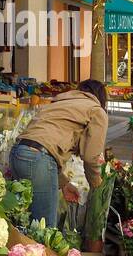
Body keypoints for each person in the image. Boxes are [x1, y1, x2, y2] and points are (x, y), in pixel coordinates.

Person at [9, 79, 108, 228]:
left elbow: (45, 143)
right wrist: (97, 184)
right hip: (39, 158)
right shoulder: (96, 111)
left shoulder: (60, 102)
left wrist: (64, 184)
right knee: (45, 229)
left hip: (18, 153)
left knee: (25, 222)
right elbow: (91, 156)